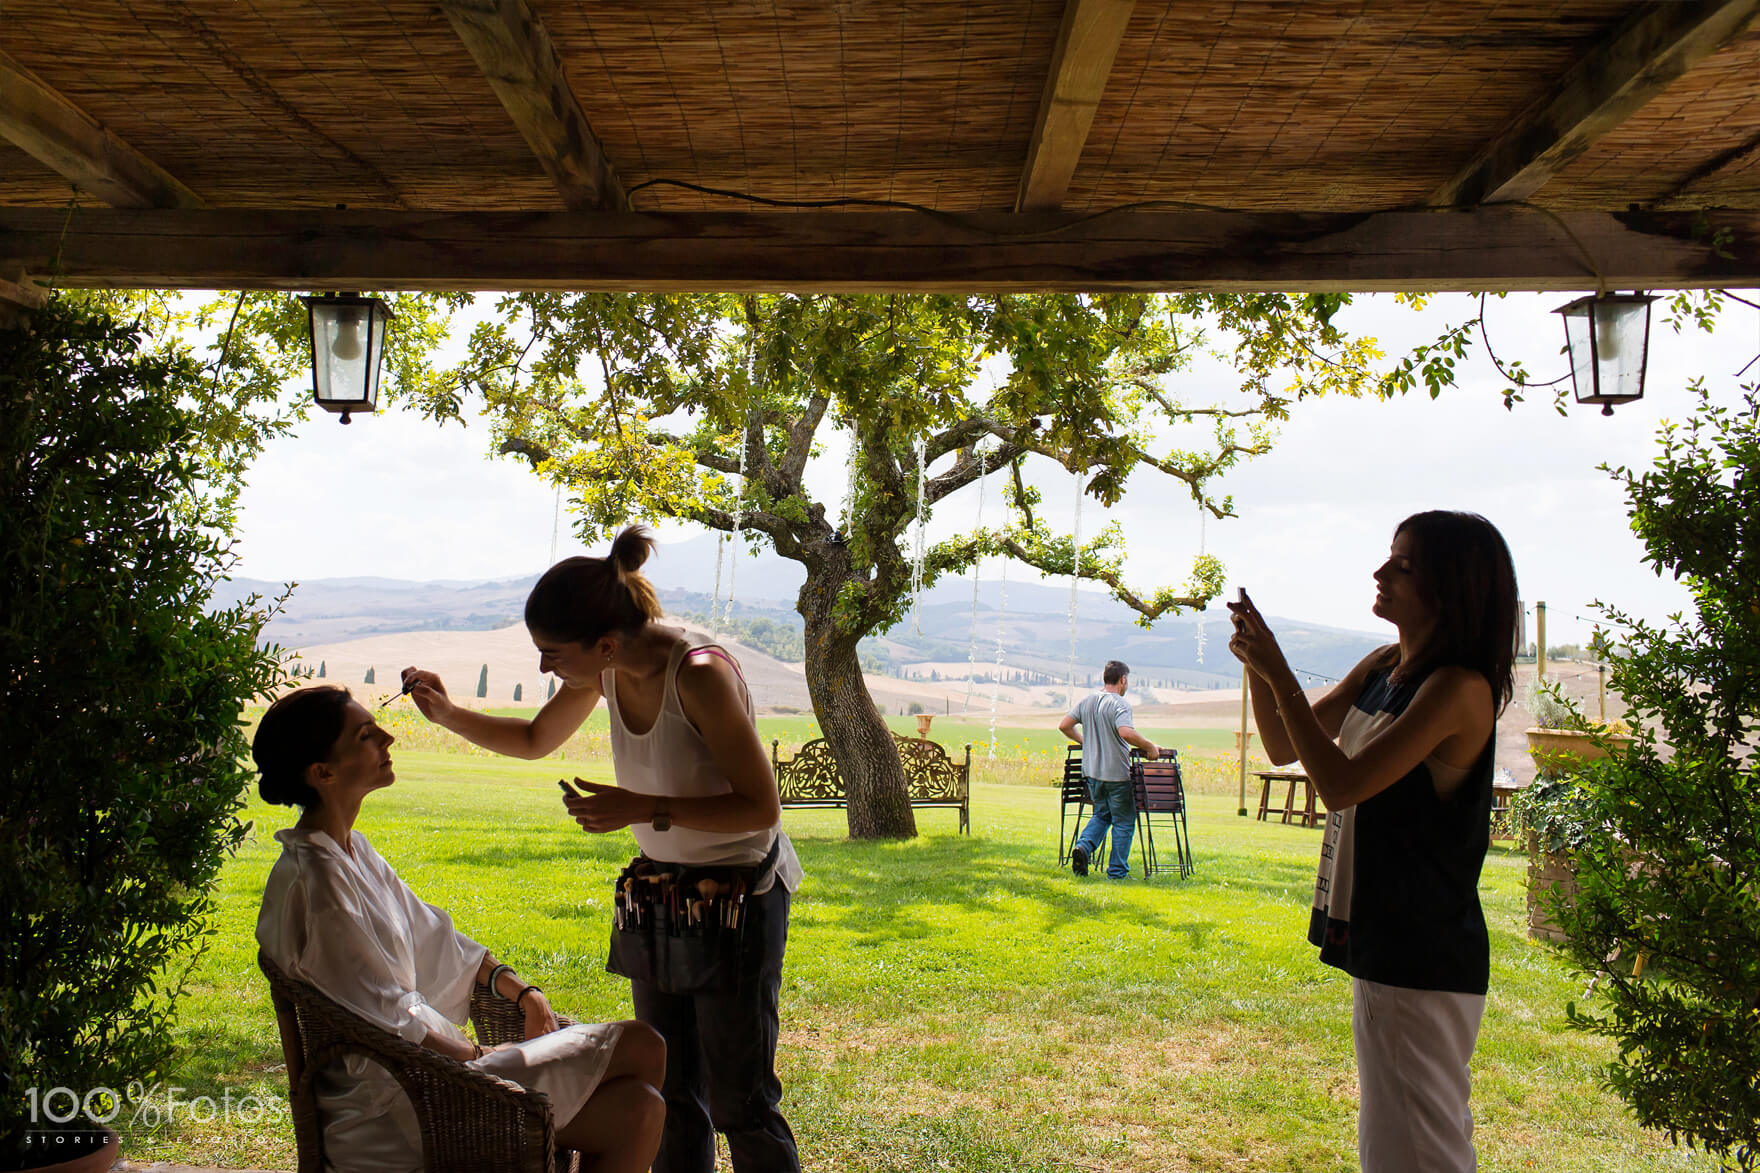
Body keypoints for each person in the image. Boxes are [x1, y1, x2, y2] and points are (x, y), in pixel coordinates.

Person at [401, 526, 803, 1173]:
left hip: (739, 903)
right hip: (663, 897)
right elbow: (536, 737)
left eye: (552, 652)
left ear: (607, 644)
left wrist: (643, 808)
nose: (543, 667)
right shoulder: (608, 667)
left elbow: (762, 806)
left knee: (742, 1101)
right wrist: (447, 713)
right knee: (673, 1091)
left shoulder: (698, 676)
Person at [252, 685, 664, 1173]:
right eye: (366, 735)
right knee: (642, 1043)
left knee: (640, 1111)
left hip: (436, 1071)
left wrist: (526, 994)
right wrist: (482, 1051)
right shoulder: (317, 882)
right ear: (323, 773)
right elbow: (389, 1019)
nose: (388, 737)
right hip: (403, 1097)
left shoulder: (353, 852)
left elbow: (440, 941)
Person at [1226, 510, 1518, 1173]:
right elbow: (1281, 745)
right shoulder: (1385, 664)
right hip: (1387, 946)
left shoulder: (1458, 689)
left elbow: (1340, 782)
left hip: (1425, 953)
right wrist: (1258, 662)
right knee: (1394, 1144)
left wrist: (1281, 670)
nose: (1381, 572)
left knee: (1421, 1149)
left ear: (1452, 587)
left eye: (1405, 565)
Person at [1058, 659, 1161, 878]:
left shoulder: (1087, 701)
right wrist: (1150, 746)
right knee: (1124, 821)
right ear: (1123, 679)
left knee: (1102, 815)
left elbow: (1064, 725)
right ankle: (1116, 872)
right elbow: (1125, 732)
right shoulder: (1119, 704)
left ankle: (1084, 847)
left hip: (1093, 773)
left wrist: (1085, 741)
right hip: (1116, 774)